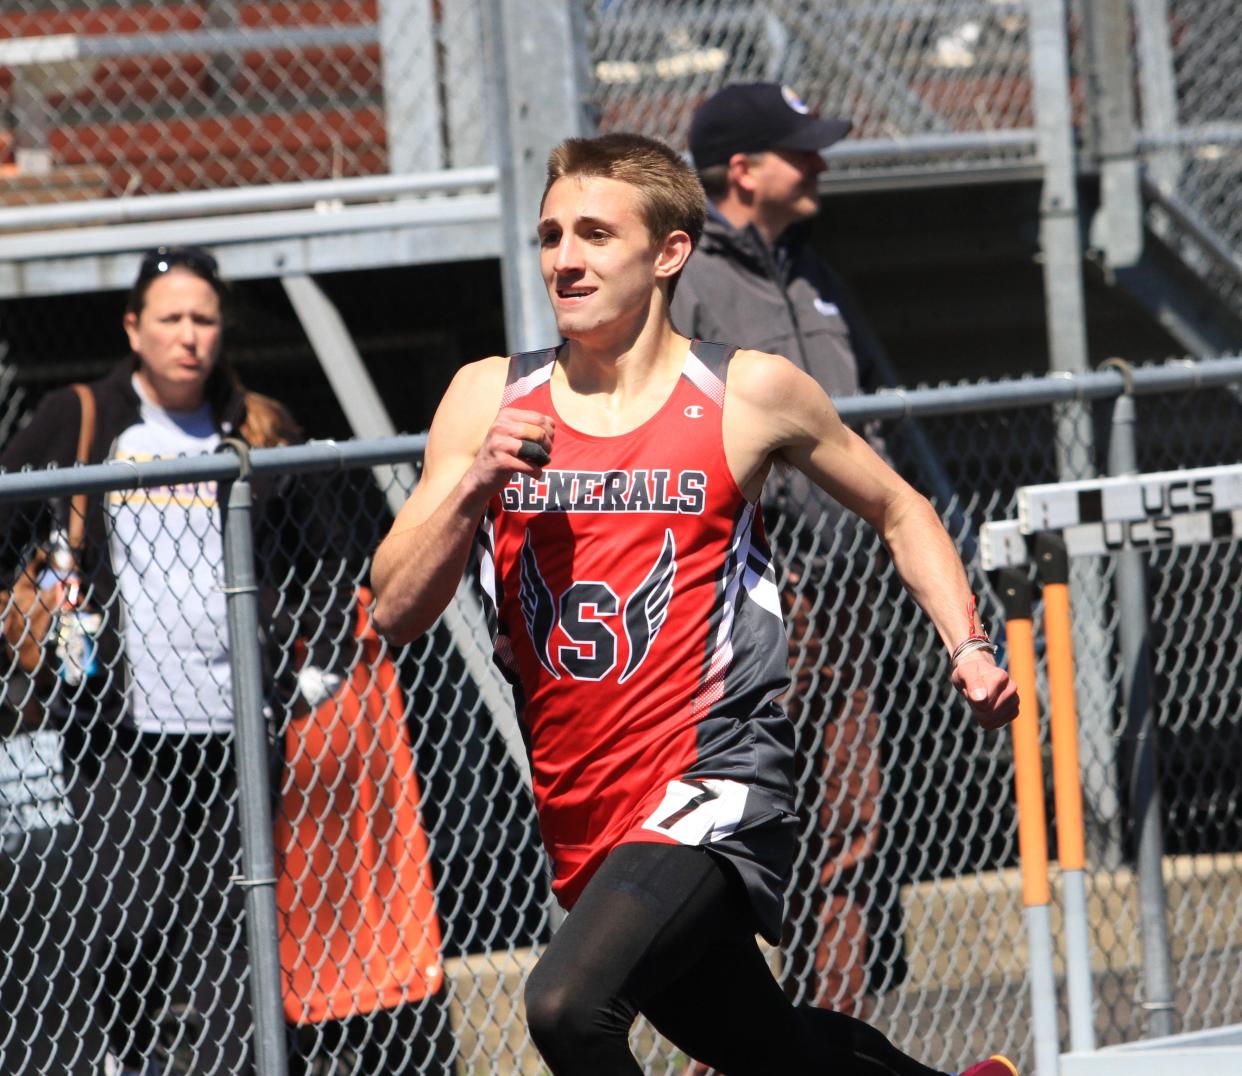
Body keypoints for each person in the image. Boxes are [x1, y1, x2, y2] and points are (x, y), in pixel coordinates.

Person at [371, 132, 1020, 1076]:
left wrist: (966, 643)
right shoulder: (488, 398)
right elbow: (393, 610)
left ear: (670, 251)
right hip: (584, 800)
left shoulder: (743, 391)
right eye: (551, 235)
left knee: (566, 1008)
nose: (566, 258)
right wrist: (475, 485)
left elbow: (899, 507)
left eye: (596, 233)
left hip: (716, 779)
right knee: (771, 1051)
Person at [0, 246, 353, 1074]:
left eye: (204, 319)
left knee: (234, 926)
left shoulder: (256, 425)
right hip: (117, 730)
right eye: (170, 319)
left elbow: (326, 556)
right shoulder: (84, 415)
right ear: (134, 327)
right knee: (124, 913)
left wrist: (313, 667)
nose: (189, 338)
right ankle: (124, 1057)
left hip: (237, 729)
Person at [669, 81, 895, 1018]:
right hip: (746, 605)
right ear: (742, 170)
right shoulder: (691, 283)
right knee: (733, 843)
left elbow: (867, 424)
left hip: (840, 597)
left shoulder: (815, 274)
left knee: (848, 833)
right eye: (800, 151)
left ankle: (831, 1043)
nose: (820, 166)